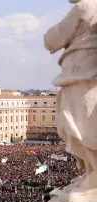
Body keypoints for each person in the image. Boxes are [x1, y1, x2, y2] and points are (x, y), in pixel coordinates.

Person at [44, 0, 97, 190]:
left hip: (80, 77)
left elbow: (51, 39)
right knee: (82, 126)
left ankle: (94, 178)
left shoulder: (84, 7)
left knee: (79, 127)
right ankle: (91, 173)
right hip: (83, 75)